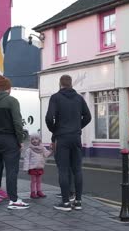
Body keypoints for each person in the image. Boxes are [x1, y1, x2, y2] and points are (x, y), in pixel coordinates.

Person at [0, 75, 29, 209]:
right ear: (8, 88)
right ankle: (13, 200)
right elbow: (17, 123)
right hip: (9, 140)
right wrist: (19, 140)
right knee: (11, 170)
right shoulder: (12, 101)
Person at [45, 75, 91, 212]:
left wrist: (55, 130)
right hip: (76, 138)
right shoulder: (79, 98)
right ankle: (78, 202)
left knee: (63, 170)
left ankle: (65, 203)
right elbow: (88, 117)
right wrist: (77, 127)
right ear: (71, 84)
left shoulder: (55, 97)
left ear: (60, 84)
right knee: (77, 169)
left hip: (62, 138)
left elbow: (49, 118)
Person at [23, 134, 53, 199]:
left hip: (40, 167)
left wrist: (51, 150)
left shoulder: (42, 148)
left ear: (39, 140)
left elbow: (46, 155)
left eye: (36, 139)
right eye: (32, 139)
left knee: (39, 181)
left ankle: (39, 191)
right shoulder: (29, 149)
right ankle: (33, 193)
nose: (34, 140)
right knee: (33, 181)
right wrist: (26, 168)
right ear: (31, 141)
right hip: (33, 168)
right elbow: (26, 159)